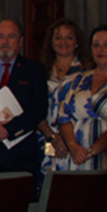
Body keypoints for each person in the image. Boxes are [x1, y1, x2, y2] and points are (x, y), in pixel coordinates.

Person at [0, 20, 48, 199]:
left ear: (20, 41)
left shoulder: (34, 70)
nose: (5, 41)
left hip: (21, 158)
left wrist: (9, 129)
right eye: (0, 36)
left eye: (11, 36)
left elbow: (39, 109)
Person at [55, 24, 107, 170]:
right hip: (75, 159)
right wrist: (73, 146)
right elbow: (63, 116)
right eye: (96, 45)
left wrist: (90, 152)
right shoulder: (78, 79)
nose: (100, 50)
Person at [35, 18, 91, 175]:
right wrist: (53, 137)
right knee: (48, 178)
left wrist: (69, 140)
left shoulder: (87, 73)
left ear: (77, 42)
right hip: (47, 137)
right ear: (51, 42)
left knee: (73, 183)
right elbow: (34, 108)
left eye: (69, 37)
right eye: (58, 37)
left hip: (77, 139)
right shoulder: (40, 72)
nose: (63, 42)